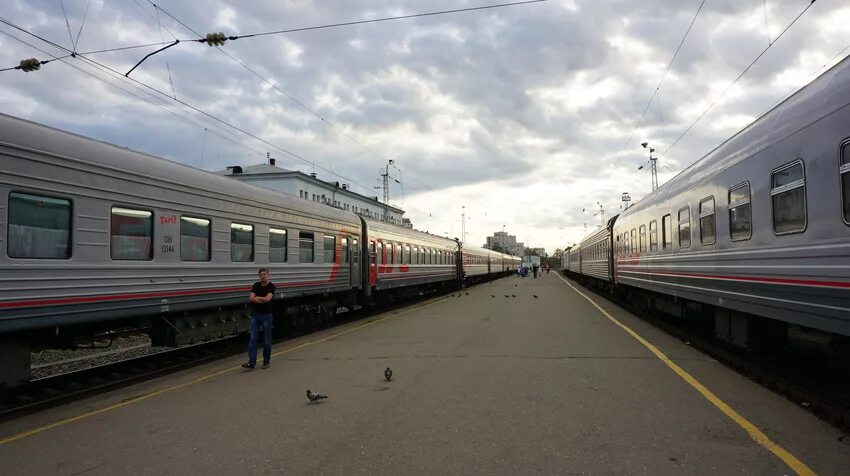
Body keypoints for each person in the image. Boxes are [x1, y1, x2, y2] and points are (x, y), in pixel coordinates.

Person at [243, 268, 275, 369]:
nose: (263, 276)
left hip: (266, 316)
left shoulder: (271, 286)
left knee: (266, 340)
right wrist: (262, 299)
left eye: (264, 274)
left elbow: (268, 299)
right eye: (261, 275)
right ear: (259, 276)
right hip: (256, 316)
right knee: (253, 339)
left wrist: (258, 298)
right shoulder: (256, 285)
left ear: (268, 275)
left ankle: (266, 361)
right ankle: (251, 362)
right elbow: (251, 298)